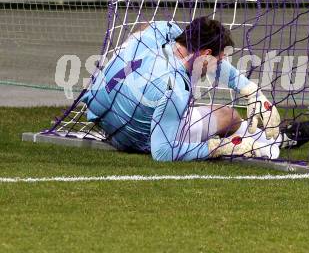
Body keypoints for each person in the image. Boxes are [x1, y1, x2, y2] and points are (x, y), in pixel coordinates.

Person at [81, 17, 282, 161]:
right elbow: (162, 153)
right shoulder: (175, 88)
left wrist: (249, 89)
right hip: (131, 140)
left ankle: (268, 139)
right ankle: (269, 144)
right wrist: (218, 147)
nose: (218, 66)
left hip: (103, 117)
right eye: (218, 60)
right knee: (228, 116)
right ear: (206, 53)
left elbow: (146, 27)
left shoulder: (158, 31)